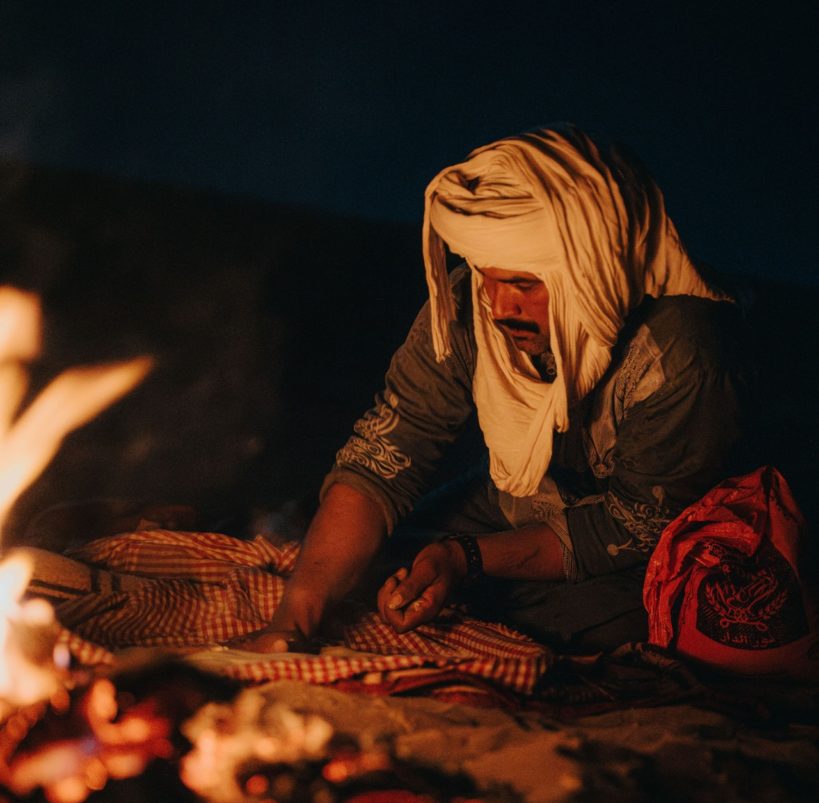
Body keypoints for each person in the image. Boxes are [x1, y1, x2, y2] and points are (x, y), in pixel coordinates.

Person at [241, 124, 742, 654]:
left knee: (622, 627)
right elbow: (386, 455)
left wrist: (465, 559)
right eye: (486, 275)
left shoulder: (682, 353)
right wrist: (293, 620)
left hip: (647, 545)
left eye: (526, 283)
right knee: (352, 564)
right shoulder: (467, 308)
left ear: (593, 269)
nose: (501, 307)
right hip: (513, 509)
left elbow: (635, 524)